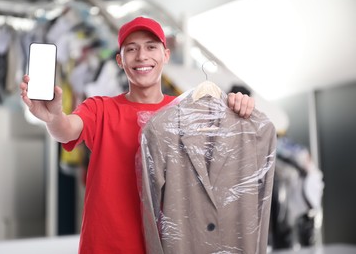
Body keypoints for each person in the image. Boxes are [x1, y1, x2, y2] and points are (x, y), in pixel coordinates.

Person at [20, 16, 255, 254]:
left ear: (166, 55)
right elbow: (66, 130)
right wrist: (53, 117)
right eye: (131, 49)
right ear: (120, 61)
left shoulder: (188, 113)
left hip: (169, 247)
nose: (142, 56)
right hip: (105, 247)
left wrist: (238, 109)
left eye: (151, 47)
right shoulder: (100, 108)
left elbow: (225, 162)